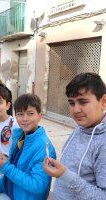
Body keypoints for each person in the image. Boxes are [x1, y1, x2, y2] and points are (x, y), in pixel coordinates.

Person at [44, 72, 106, 200]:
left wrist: (65, 175)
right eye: (72, 103)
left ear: (104, 101)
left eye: (83, 102)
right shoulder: (81, 126)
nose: (76, 110)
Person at [0, 94, 56, 199]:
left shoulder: (44, 148)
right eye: (20, 114)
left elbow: (38, 186)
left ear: (40, 116)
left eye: (30, 113)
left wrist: (5, 167)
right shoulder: (19, 136)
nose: (25, 119)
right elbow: (14, 166)